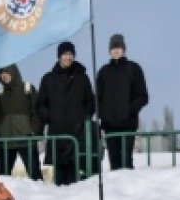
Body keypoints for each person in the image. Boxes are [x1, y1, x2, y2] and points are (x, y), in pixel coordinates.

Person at [37, 41, 96, 186]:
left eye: (70, 54)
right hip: (57, 131)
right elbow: (40, 104)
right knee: (59, 175)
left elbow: (90, 101)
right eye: (65, 54)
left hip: (77, 132)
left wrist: (85, 118)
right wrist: (49, 117)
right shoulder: (48, 79)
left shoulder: (82, 78)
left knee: (75, 173)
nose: (68, 57)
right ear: (59, 57)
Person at [95, 34, 149, 170]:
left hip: (128, 124)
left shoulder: (134, 69)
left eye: (118, 47)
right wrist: (102, 114)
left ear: (124, 49)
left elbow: (143, 96)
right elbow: (97, 98)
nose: (116, 50)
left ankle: (129, 189)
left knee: (126, 161)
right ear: (109, 50)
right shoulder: (103, 72)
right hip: (109, 125)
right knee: (114, 161)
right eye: (113, 48)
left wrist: (130, 110)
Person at [0, 64, 42, 180]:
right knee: (3, 178)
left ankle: (40, 197)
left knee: (35, 177)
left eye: (6, 72)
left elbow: (37, 111)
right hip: (7, 141)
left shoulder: (28, 88)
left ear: (13, 72)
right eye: (1, 73)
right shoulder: (0, 93)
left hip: (26, 139)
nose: (3, 75)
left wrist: (33, 131)